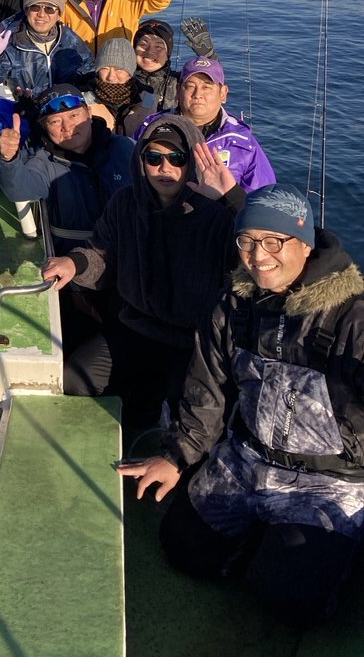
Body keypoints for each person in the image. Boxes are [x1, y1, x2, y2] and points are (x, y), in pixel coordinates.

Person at [120, 185, 364, 629]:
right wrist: (177, 455)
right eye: (247, 240)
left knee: (288, 597)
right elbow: (207, 390)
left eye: (274, 240)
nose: (258, 255)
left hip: (328, 481)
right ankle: (267, 541)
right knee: (183, 548)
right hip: (246, 459)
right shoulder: (232, 305)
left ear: (305, 244)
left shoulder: (354, 318)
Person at [42, 115, 244, 425]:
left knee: (184, 415)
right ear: (141, 160)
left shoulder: (217, 216)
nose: (165, 168)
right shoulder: (125, 203)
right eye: (154, 158)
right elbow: (101, 253)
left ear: (193, 160)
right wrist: (74, 263)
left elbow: (257, 256)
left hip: (194, 343)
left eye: (177, 158)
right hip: (135, 328)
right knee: (73, 379)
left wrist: (232, 199)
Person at [0, 84, 133, 256]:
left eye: (74, 115)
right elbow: (18, 189)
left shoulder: (125, 149)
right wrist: (8, 159)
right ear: (44, 126)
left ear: (89, 114)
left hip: (129, 249)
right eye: (55, 121)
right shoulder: (44, 162)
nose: (67, 127)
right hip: (74, 257)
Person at [135, 56, 276, 192]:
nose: (197, 94)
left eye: (206, 87)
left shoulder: (243, 141)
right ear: (177, 90)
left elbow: (263, 196)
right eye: (190, 86)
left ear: (223, 93)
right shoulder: (151, 127)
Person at [0, 0, 94, 95]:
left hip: (63, 107)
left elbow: (88, 75)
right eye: (35, 7)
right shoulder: (9, 40)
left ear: (58, 15)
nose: (41, 14)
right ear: (26, 11)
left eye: (50, 9)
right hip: (23, 108)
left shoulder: (71, 40)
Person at [84, 37, 156, 136]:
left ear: (130, 72)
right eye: (104, 69)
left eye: (119, 69)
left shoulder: (149, 99)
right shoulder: (83, 100)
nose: (111, 77)